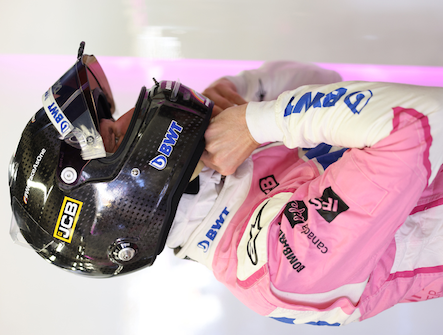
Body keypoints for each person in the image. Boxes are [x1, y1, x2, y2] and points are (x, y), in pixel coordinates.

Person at [9, 44, 443, 326]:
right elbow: (424, 122)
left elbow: (321, 77)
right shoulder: (275, 264)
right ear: (122, 201)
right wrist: (260, 122)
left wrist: (239, 94)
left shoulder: (221, 180)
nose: (132, 114)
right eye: (116, 136)